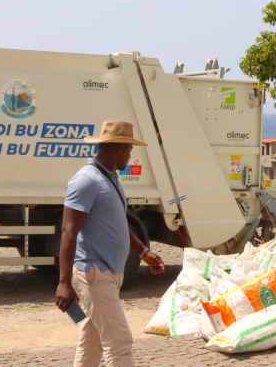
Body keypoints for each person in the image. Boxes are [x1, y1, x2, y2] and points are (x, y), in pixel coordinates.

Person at [55, 120, 166, 367]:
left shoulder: (110, 178)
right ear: (118, 147)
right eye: (129, 149)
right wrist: (64, 282)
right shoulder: (86, 180)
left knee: (91, 341)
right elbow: (68, 232)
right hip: (94, 275)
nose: (130, 154)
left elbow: (118, 224)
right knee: (119, 342)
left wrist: (143, 251)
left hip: (109, 273)